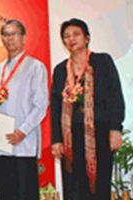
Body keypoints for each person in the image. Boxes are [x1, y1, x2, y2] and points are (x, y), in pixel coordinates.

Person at [51, 18, 125, 200]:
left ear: (87, 37)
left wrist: (115, 129)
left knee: (99, 184)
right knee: (73, 186)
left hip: (99, 132)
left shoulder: (102, 61)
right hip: (71, 136)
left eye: (76, 34)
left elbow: (115, 96)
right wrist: (56, 140)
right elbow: (55, 107)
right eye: (66, 36)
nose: (71, 39)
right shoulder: (61, 70)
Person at [0, 20, 49, 200]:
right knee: (5, 193)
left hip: (22, 143)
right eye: (6, 34)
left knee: (25, 194)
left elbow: (41, 105)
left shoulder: (36, 67)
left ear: (24, 37)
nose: (9, 38)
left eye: (14, 34)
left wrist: (22, 131)